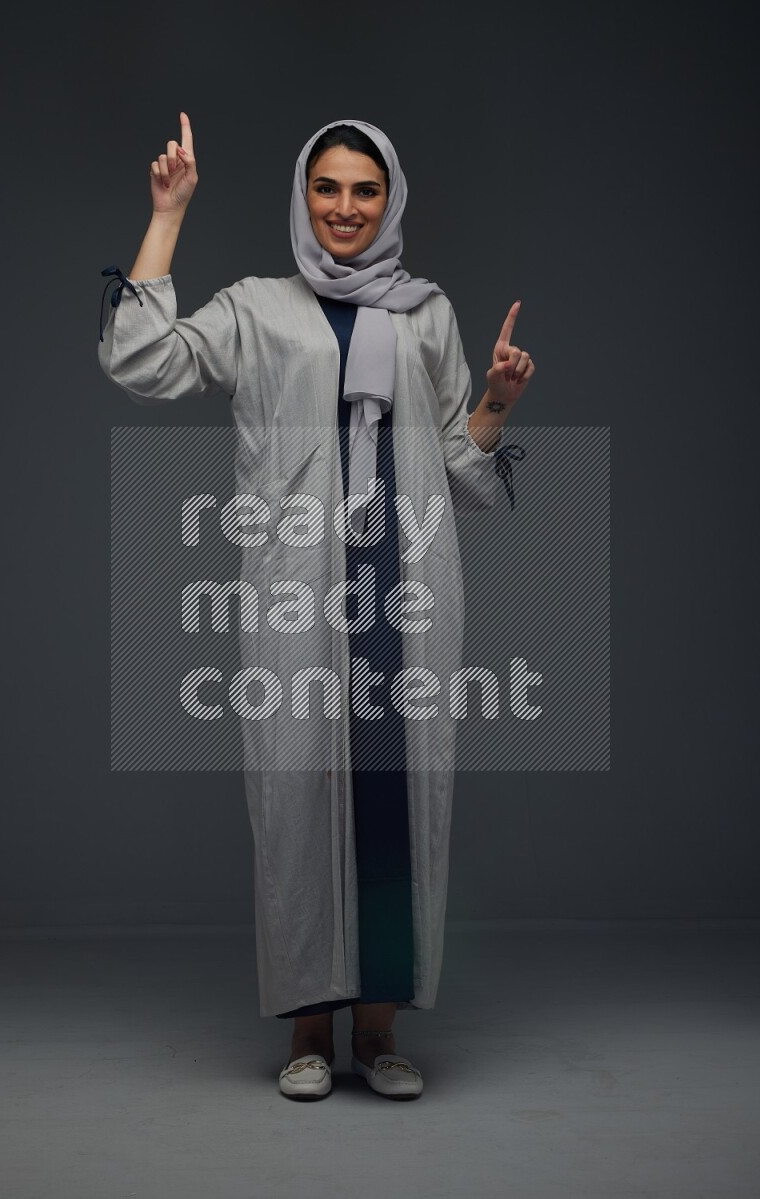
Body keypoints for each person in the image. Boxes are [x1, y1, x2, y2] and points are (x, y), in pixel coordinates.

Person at [98, 113, 535, 1100]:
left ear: (390, 202)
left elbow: (466, 472)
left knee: (396, 803)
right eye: (327, 188)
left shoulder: (425, 314)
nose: (344, 208)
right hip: (296, 591)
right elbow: (140, 361)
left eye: (364, 191)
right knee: (294, 798)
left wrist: (497, 399)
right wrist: (166, 214)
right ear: (303, 196)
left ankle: (377, 1028)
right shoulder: (256, 308)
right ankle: (306, 1026)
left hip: (406, 592)